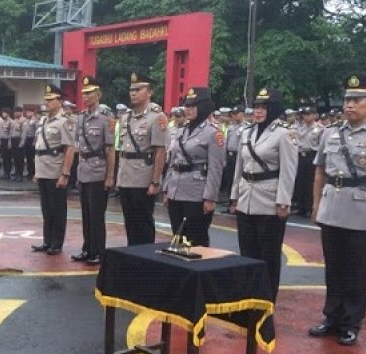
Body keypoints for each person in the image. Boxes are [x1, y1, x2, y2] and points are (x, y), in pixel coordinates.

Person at [309, 73, 366, 346]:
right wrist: (316, 205)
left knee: (357, 271)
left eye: (357, 100)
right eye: (347, 99)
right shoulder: (330, 133)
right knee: (333, 268)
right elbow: (320, 172)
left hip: (362, 210)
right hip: (333, 207)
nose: (349, 105)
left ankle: (351, 322)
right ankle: (332, 317)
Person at [229, 88, 298, 301]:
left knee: (268, 254)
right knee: (247, 251)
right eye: (257, 107)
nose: (258, 111)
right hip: (246, 197)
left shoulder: (285, 133)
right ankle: (247, 296)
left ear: (274, 109)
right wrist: (234, 196)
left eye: (263, 107)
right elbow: (239, 167)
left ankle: (266, 299)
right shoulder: (247, 132)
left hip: (269, 199)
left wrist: (284, 201)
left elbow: (289, 170)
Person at [163, 87, 224, 247]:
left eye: (192, 106)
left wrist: (210, 197)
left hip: (196, 193)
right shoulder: (182, 131)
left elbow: (215, 168)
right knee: (178, 238)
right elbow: (173, 161)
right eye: (187, 106)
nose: (188, 109)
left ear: (203, 107)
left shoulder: (213, 133)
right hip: (176, 190)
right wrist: (167, 189)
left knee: (196, 240)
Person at [117, 72, 168, 245]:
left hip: (143, 179)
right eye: (131, 89)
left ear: (149, 92)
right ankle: (132, 257)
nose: (133, 93)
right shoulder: (126, 117)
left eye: (138, 89)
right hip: (126, 177)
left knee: (143, 223)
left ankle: (145, 259)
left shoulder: (157, 117)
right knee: (129, 223)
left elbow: (160, 151)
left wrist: (155, 182)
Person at [71, 76, 115, 264]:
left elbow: (110, 149)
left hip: (99, 170)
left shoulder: (106, 118)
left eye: (90, 93)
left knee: (97, 214)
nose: (86, 97)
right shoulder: (81, 118)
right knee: (86, 214)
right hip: (84, 170)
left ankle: (98, 251)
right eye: (84, 94)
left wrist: (110, 176)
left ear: (98, 94)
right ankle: (87, 248)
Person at [31, 84, 76, 255]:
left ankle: (56, 242)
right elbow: (40, 147)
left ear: (59, 101)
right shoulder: (44, 120)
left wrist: (65, 174)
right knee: (46, 208)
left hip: (56, 171)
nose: (47, 103)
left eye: (51, 100)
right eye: (46, 100)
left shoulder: (65, 121)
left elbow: (69, 149)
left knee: (57, 208)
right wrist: (37, 171)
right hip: (43, 169)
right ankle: (47, 240)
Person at [293, 106, 322, 216]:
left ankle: (310, 207)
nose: (306, 116)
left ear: (314, 115)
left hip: (312, 156)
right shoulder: (299, 128)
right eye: (304, 114)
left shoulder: (319, 128)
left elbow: (321, 145)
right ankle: (300, 206)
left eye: (309, 114)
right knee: (300, 182)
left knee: (311, 183)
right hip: (301, 155)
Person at [20, 107, 38, 179]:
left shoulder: (35, 121)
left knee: (32, 158)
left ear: (33, 113)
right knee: (28, 158)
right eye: (27, 112)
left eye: (30, 112)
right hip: (26, 140)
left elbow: (36, 132)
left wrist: (34, 142)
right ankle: (29, 172)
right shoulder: (26, 121)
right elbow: (24, 132)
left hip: (32, 140)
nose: (28, 114)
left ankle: (33, 173)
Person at [10, 106, 25, 182]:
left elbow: (24, 133)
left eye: (17, 112)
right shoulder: (14, 120)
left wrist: (21, 143)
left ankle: (20, 175)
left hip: (19, 140)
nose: (15, 113)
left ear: (21, 112)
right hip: (14, 140)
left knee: (20, 159)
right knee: (15, 159)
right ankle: (16, 173)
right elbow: (11, 131)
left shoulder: (23, 121)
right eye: (15, 112)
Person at [0, 107, 13, 179]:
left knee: (8, 158)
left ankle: (8, 173)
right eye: (2, 113)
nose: (3, 114)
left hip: (7, 141)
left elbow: (11, 133)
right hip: (2, 140)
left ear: (8, 114)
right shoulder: (2, 121)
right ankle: (5, 172)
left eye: (4, 113)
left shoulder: (11, 122)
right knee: (4, 158)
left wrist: (10, 143)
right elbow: (0, 132)